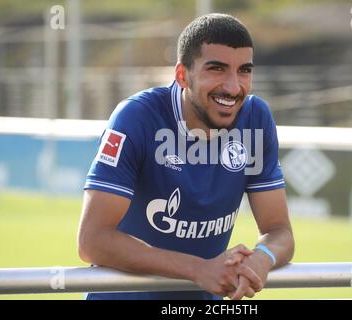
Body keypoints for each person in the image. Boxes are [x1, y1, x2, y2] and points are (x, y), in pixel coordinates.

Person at [77, 13, 294, 300]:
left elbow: (280, 232)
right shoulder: (136, 117)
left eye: (244, 70)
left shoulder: (256, 118)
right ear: (182, 75)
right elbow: (92, 240)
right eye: (216, 69)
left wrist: (261, 258)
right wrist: (198, 269)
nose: (233, 87)